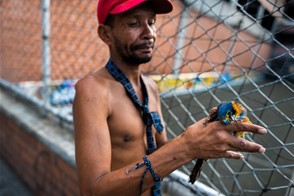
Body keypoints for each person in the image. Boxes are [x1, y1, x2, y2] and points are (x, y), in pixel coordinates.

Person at [73, 0, 267, 195]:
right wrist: (187, 146)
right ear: (106, 34)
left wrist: (207, 131)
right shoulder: (92, 90)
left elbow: (160, 150)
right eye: (134, 24)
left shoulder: (150, 87)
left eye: (151, 22)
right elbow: (92, 191)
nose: (149, 33)